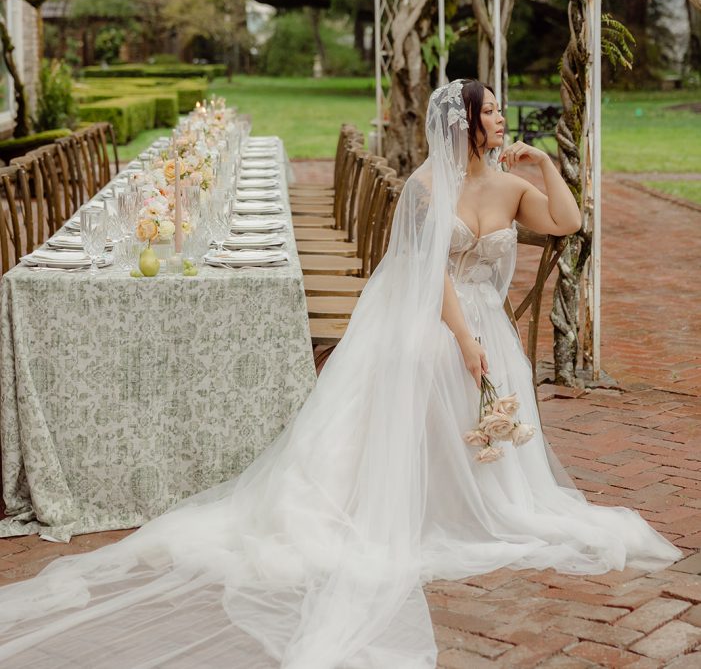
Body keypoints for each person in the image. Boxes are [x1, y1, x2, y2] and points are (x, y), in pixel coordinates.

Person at [0, 79, 679, 669]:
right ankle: (408, 491)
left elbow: (569, 220)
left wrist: (543, 164)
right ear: (465, 124)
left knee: (483, 402)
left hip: (484, 327)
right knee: (430, 357)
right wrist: (463, 338)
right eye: (494, 113)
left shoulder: (510, 183)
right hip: (429, 316)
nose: (503, 121)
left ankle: (474, 494)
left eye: (501, 113)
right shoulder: (421, 187)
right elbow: (426, 270)